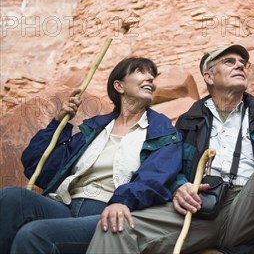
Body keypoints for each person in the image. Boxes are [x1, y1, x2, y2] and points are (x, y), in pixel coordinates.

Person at [87, 44, 254, 254]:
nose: (239, 65)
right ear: (209, 77)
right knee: (116, 228)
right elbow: (170, 166)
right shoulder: (187, 122)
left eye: (243, 63)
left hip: (248, 206)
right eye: (229, 61)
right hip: (200, 207)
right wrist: (178, 187)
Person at [0, 57, 183, 254]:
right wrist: (57, 124)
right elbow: (37, 166)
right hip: (65, 204)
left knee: (33, 235)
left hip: (106, 212)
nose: (150, 79)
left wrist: (123, 200)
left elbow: (155, 177)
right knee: (11, 197)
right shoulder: (95, 127)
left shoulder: (161, 130)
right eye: (141, 72)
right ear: (119, 86)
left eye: (152, 76)